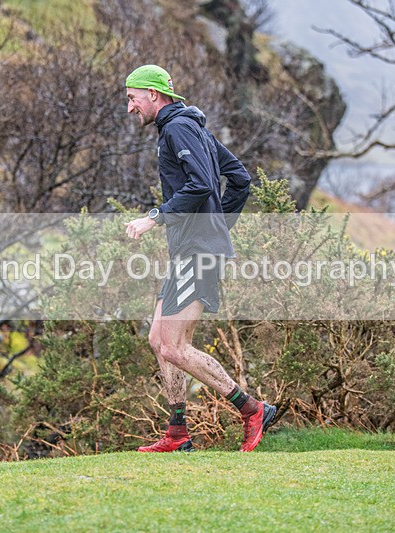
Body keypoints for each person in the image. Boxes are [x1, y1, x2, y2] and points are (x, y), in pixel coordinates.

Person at [124, 64, 277, 452]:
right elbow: (239, 178)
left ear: (153, 95)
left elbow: (202, 184)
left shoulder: (178, 128)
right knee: (159, 339)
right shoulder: (190, 127)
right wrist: (217, 223)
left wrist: (155, 218)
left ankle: (252, 409)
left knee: (175, 345)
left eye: (132, 98)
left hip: (198, 252)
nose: (129, 107)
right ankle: (177, 434)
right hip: (192, 248)